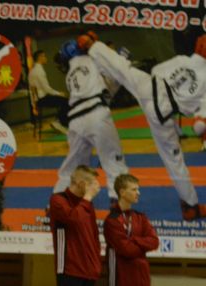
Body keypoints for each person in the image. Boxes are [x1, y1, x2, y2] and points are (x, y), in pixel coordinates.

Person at [78, 31, 206, 220]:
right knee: (174, 160)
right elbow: (199, 124)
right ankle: (190, 206)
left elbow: (156, 71)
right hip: (162, 112)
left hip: (149, 87)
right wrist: (198, 119)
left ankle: (93, 46)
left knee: (124, 69)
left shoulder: (182, 60)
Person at [51, 41, 128, 202]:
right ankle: (117, 205)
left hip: (75, 121)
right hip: (96, 115)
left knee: (72, 169)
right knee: (113, 161)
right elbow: (114, 78)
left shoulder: (70, 75)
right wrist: (122, 58)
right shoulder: (93, 59)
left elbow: (105, 90)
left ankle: (56, 205)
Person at [28, 49, 69, 135]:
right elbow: (47, 89)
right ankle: (59, 122)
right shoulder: (39, 71)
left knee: (62, 100)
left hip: (37, 99)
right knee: (65, 101)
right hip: (42, 99)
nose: (46, 58)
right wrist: (59, 93)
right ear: (40, 57)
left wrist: (33, 103)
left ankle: (59, 121)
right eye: (44, 56)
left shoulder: (32, 71)